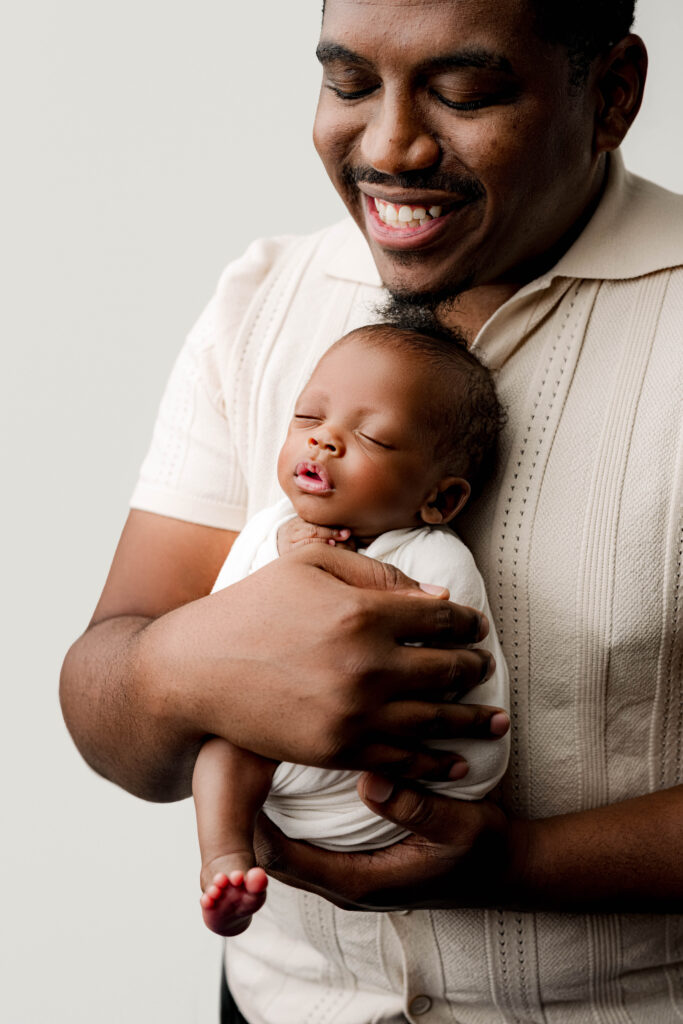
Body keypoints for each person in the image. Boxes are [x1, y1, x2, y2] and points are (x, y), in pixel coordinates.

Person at [60, 1, 683, 1020]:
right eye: (347, 83)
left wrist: (517, 863)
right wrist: (184, 669)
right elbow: (104, 701)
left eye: (463, 90)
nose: (387, 142)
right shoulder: (263, 297)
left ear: (610, 94)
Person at [193, 322, 510, 938]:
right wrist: (287, 558)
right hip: (282, 796)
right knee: (226, 743)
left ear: (440, 501)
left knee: (239, 735)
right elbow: (215, 639)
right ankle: (224, 856)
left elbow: (402, 656)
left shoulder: (434, 558)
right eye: (308, 417)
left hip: (390, 796)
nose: (325, 439)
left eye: (371, 437)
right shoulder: (269, 530)